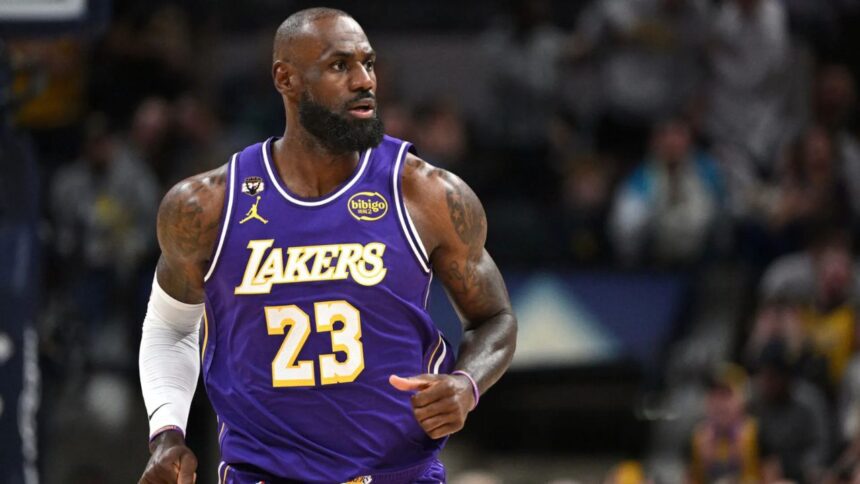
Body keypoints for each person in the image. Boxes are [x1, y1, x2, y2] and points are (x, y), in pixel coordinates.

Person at [137, 7, 517, 484]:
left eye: (369, 63)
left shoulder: (426, 193)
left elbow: (495, 318)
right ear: (286, 78)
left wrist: (466, 384)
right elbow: (171, 329)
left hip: (399, 473)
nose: (365, 81)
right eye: (340, 66)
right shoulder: (207, 205)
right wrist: (167, 433)